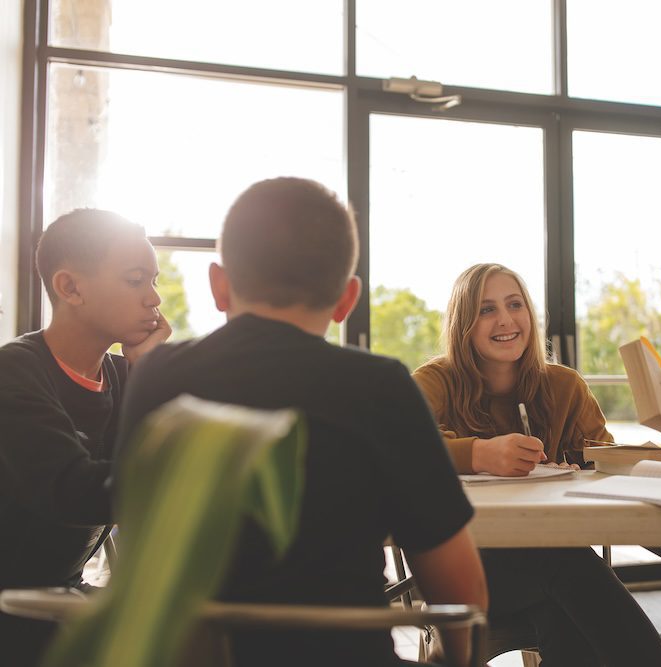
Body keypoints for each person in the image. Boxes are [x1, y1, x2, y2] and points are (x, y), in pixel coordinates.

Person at [116, 177, 487, 667]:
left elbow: (137, 543)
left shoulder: (156, 375)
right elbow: (462, 595)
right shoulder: (381, 386)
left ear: (218, 285)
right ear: (346, 301)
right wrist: (445, 658)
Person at [412, 263, 661, 666]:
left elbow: (600, 459)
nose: (505, 319)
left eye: (515, 304)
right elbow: (405, 450)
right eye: (486, 309)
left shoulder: (564, 386)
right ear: (463, 322)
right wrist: (480, 454)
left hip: (552, 573)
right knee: (566, 566)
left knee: (564, 604)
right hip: (464, 574)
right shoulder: (434, 382)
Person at [0, 209, 171, 665]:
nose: (154, 300)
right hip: (11, 610)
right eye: (136, 280)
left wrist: (146, 375)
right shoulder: (15, 371)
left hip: (61, 598)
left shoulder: (122, 374)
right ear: (70, 287)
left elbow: (141, 470)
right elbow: (75, 493)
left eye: (153, 281)